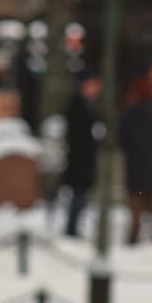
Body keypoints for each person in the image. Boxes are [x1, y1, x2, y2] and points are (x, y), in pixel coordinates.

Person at [118, 70, 152, 241]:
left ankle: (133, 236)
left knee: (136, 206)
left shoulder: (128, 115)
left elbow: (121, 140)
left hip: (134, 167)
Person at [59, 77, 101, 235]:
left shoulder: (87, 105)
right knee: (78, 197)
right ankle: (71, 229)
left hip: (83, 161)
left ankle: (73, 228)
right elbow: (78, 135)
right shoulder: (78, 106)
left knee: (81, 197)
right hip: (79, 161)